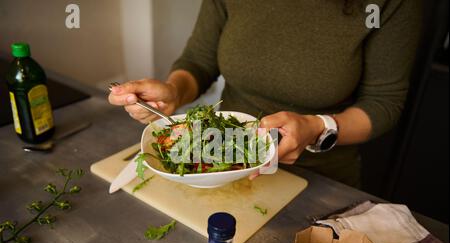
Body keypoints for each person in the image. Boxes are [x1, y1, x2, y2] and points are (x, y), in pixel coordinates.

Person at [108, 0, 423, 187]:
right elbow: (198, 61)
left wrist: (317, 128)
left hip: (317, 178)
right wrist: (173, 92)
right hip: (219, 159)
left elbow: (384, 102)